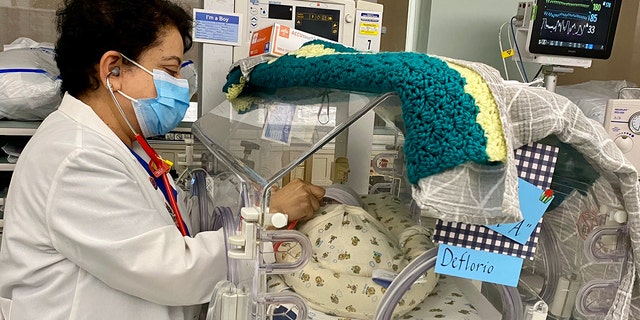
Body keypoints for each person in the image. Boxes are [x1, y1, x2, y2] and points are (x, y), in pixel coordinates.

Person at [0, 1, 324, 320]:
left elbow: (169, 229)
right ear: (113, 70)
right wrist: (273, 215)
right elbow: (173, 270)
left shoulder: (127, 144)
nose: (181, 86)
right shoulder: (76, 156)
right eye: (169, 70)